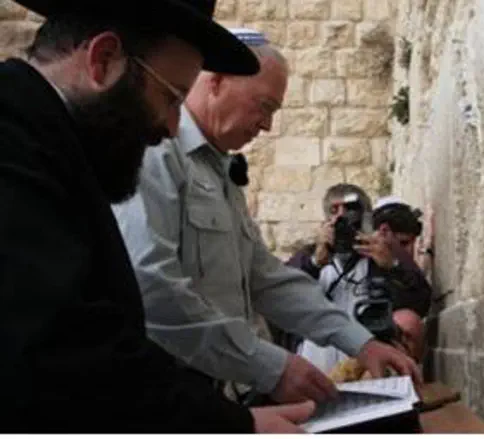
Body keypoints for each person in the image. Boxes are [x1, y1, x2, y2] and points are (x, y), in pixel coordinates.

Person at [0, 0, 315, 432]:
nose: (170, 127)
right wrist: (233, 425)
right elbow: (61, 349)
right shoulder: (13, 144)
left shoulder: (52, 146)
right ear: (104, 60)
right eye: (171, 99)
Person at [111, 30, 421, 408]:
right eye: (264, 106)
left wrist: (362, 342)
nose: (267, 125)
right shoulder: (158, 152)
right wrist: (271, 366)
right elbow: (150, 287)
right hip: (167, 400)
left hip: (220, 394)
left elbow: (266, 279)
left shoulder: (219, 173)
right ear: (216, 81)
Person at [285, 186, 433, 374]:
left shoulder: (383, 251)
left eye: (350, 209)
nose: (342, 217)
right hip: (317, 355)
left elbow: (421, 302)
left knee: (408, 321)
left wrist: (393, 266)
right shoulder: (310, 255)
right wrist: (315, 262)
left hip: (369, 353)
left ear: (365, 216)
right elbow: (282, 294)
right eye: (334, 210)